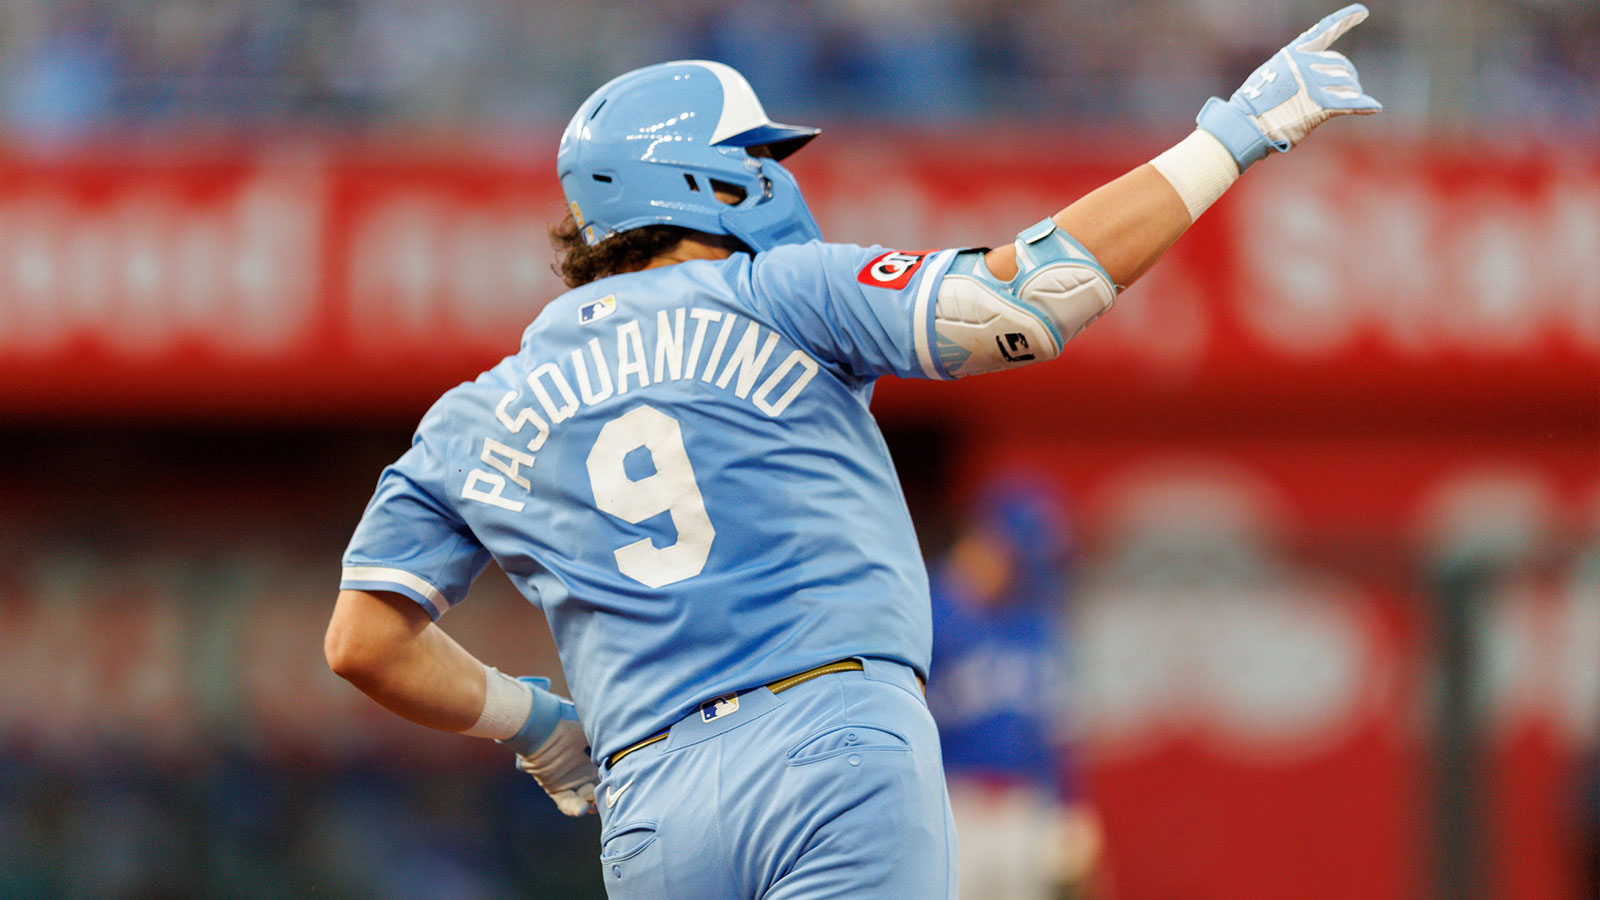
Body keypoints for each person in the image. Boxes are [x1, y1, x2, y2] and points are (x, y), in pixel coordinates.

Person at [323, 7, 1379, 898]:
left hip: (650, 802)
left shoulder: (474, 412)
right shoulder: (778, 292)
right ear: (702, 181)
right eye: (758, 157)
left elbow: (364, 640)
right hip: (832, 741)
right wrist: (1236, 132)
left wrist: (538, 724)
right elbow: (1027, 301)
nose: (777, 176)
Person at [927, 477, 1105, 900]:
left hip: (1026, 809)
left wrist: (1070, 812)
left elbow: (1057, 735)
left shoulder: (1037, 622)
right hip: (952, 805)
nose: (1028, 567)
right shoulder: (924, 608)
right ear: (984, 539)